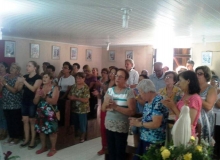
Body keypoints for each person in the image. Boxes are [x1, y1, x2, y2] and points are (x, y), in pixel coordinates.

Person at [130, 79, 169, 160]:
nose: (140, 95)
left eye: (140, 92)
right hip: (145, 138)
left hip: (154, 141)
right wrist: (138, 120)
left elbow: (156, 124)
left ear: (147, 91)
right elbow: (148, 116)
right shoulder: (148, 101)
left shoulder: (158, 102)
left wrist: (140, 124)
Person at [102, 68, 136, 160]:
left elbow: (132, 111)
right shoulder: (110, 90)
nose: (117, 78)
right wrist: (106, 103)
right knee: (111, 150)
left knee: (120, 151)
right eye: (117, 76)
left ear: (125, 79)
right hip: (109, 124)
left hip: (121, 125)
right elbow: (103, 109)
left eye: (121, 77)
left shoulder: (128, 92)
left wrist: (116, 107)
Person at [162, 71, 202, 137]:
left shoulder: (194, 98)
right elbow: (179, 113)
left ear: (188, 81)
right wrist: (170, 105)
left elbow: (188, 121)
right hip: (178, 129)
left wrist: (173, 106)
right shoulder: (185, 95)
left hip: (186, 133)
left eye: (180, 80)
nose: (178, 83)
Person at [34, 72, 59, 157]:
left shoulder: (55, 88)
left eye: (46, 77)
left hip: (50, 113)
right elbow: (35, 102)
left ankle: (53, 148)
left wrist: (44, 96)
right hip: (40, 112)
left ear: (51, 79)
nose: (44, 79)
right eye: (43, 77)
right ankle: (43, 147)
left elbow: (54, 101)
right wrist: (38, 95)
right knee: (41, 130)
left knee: (52, 131)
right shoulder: (40, 88)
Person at [93, 67, 117, 155]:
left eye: (113, 73)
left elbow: (112, 96)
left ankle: (112, 147)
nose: (111, 74)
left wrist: (103, 87)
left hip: (113, 109)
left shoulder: (117, 85)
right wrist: (98, 94)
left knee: (111, 129)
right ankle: (104, 147)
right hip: (104, 108)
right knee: (103, 128)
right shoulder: (106, 83)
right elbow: (102, 96)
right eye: (110, 73)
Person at [19, 61, 42, 149]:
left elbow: (33, 89)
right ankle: (26, 139)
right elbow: (20, 89)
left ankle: (33, 140)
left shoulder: (38, 77)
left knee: (32, 120)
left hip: (33, 101)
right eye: (26, 66)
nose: (27, 67)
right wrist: (20, 82)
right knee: (25, 120)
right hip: (24, 100)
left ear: (35, 68)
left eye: (29, 66)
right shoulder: (25, 76)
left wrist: (24, 82)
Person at [0, 63, 23, 144]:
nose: (11, 69)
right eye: (11, 67)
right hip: (5, 103)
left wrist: (5, 84)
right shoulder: (5, 77)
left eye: (14, 68)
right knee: (8, 121)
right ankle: (11, 136)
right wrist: (1, 85)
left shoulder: (18, 78)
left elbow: (14, 90)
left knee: (15, 121)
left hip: (15, 104)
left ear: (17, 71)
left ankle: (16, 136)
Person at [196, 66, 217, 144]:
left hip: (205, 118)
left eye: (200, 74)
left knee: (204, 142)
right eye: (196, 74)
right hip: (194, 117)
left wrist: (196, 98)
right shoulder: (194, 88)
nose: (197, 76)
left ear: (206, 75)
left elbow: (209, 106)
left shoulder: (211, 89)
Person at [68, 72, 90, 143]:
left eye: (79, 78)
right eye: (76, 78)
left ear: (83, 79)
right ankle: (76, 135)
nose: (77, 79)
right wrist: (70, 97)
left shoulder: (85, 87)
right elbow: (69, 95)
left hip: (82, 109)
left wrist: (76, 98)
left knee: (82, 123)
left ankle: (82, 136)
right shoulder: (74, 86)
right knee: (75, 122)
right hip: (74, 108)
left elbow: (86, 99)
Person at [0, 62, 9, 140]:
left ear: (6, 68)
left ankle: (4, 131)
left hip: (4, 98)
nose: (0, 68)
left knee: (3, 116)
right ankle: (1, 130)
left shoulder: (7, 76)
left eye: (2, 66)